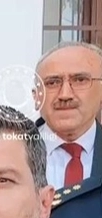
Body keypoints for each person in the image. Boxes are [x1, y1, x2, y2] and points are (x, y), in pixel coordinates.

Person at [33, 41, 102, 189]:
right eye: (52, 83)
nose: (65, 95)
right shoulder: (6, 154)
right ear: (36, 96)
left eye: (80, 80)